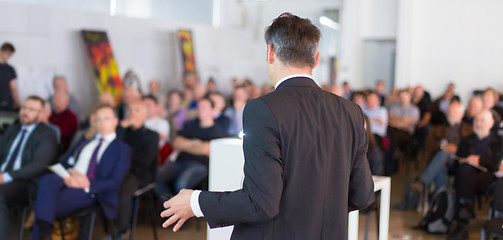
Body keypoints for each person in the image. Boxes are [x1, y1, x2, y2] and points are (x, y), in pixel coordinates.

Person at [159, 12, 375, 239]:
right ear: (316, 58)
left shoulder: (262, 109)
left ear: (270, 53)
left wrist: (196, 202)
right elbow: (362, 195)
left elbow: (261, 202)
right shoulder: (350, 111)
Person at [32, 104, 132, 240]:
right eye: (99, 119)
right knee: (47, 179)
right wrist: (70, 173)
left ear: (115, 121)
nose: (102, 123)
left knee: (43, 203)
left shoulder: (122, 148)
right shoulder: (85, 141)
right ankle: (44, 234)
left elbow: (114, 183)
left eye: (106, 119)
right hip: (67, 180)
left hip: (91, 192)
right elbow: (64, 163)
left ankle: (43, 234)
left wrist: (86, 183)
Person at [0, 96, 58, 239]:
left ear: (40, 114)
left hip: (26, 183)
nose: (25, 112)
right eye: (24, 108)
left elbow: (38, 166)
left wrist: (5, 177)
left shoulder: (47, 134)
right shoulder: (12, 130)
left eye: (31, 109)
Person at [155, 97, 226, 198]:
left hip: (199, 165)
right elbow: (176, 143)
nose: (201, 110)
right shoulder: (191, 125)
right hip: (179, 162)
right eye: (199, 107)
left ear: (212, 110)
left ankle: (179, 210)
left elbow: (206, 149)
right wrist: (196, 142)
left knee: (181, 184)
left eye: (204, 107)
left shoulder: (217, 131)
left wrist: (186, 145)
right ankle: (170, 207)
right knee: (156, 178)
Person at [448, 110, 503, 239]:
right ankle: (465, 213)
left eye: (482, 120)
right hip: (468, 176)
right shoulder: (466, 141)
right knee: (464, 170)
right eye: (476, 120)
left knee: (464, 176)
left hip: (489, 179)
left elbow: (498, 162)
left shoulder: (499, 142)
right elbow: (456, 164)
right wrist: (465, 161)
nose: (478, 123)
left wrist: (479, 160)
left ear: (491, 123)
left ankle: (463, 218)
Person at [109, 101, 159, 239]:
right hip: (121, 171)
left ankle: (123, 230)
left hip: (139, 174)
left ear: (144, 114)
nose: (132, 113)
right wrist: (121, 127)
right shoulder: (124, 132)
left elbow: (144, 161)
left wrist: (123, 155)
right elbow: (112, 147)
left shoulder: (152, 135)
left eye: (136, 110)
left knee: (122, 191)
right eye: (130, 109)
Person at [0, 42, 20, 111]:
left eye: (11, 55)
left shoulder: (10, 69)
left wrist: (17, 102)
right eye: (8, 54)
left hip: (7, 104)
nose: (9, 56)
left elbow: (14, 87)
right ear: (2, 51)